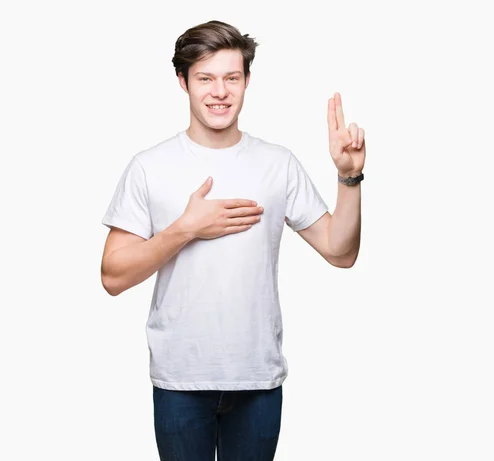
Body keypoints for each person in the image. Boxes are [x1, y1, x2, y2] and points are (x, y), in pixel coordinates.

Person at [100, 20, 365, 461]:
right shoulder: (150, 166)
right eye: (205, 78)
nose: (219, 91)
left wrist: (349, 176)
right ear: (182, 82)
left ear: (247, 81)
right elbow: (112, 276)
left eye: (231, 77)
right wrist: (185, 228)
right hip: (180, 382)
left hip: (257, 382)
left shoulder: (277, 163)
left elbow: (341, 252)